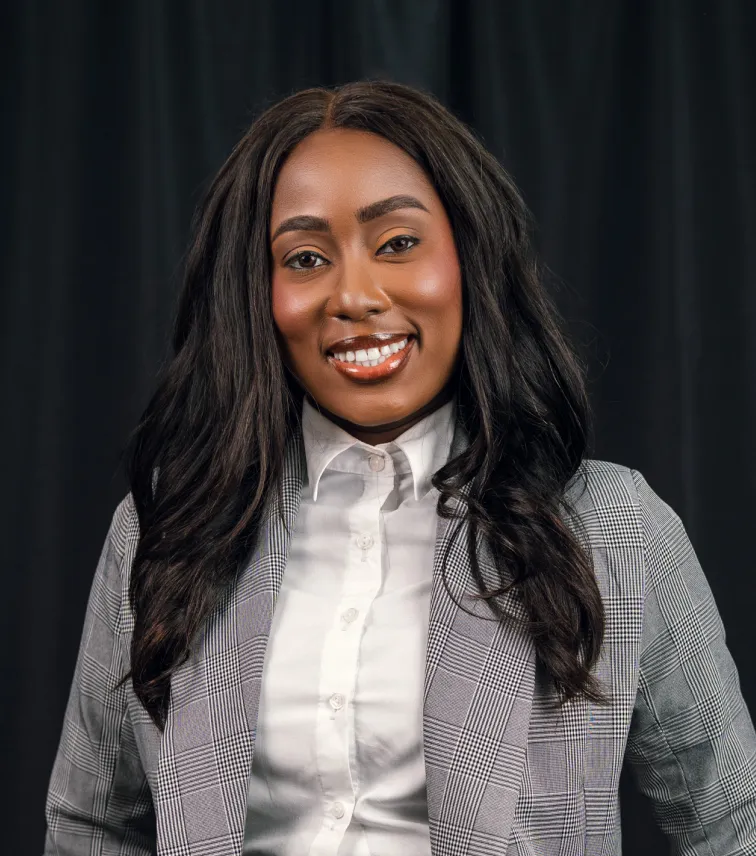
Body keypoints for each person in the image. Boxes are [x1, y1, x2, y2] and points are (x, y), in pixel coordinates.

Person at [45, 80, 756, 856]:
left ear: (468, 257)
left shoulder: (612, 527)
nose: (354, 295)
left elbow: (733, 819)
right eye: (306, 258)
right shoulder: (166, 528)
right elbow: (92, 825)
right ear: (257, 293)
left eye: (396, 244)